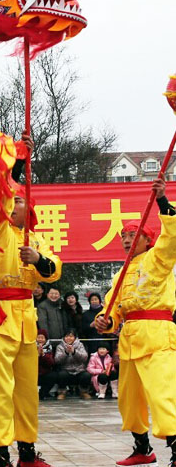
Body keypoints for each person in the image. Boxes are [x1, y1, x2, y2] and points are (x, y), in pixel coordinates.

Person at [0, 135, 62, 467]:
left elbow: (53, 271)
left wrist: (37, 258)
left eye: (21, 201)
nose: (15, 204)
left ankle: (27, 451)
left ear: (31, 209)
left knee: (27, 392)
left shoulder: (34, 239)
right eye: (12, 200)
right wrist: (20, 160)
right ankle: (0, 455)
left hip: (26, 321)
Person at [93, 179, 176, 467]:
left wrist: (163, 202)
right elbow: (111, 307)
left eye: (133, 234)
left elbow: (172, 237)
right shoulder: (120, 274)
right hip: (129, 340)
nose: (127, 240)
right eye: (124, 235)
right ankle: (143, 449)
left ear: (147, 239)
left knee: (163, 395)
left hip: (156, 335)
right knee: (129, 400)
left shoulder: (158, 259)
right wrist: (106, 320)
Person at [53, 330, 91, 399]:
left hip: (79, 370)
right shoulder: (60, 346)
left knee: (86, 375)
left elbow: (85, 357)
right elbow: (57, 360)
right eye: (66, 336)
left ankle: (84, 392)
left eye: (71, 336)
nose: (68, 338)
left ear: (75, 337)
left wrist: (74, 352)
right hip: (66, 370)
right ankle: (62, 392)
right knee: (61, 375)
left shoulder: (80, 345)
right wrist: (66, 353)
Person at [35, 330, 58, 401]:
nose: (40, 340)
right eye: (38, 337)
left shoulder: (49, 348)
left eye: (42, 338)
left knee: (53, 376)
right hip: (33, 373)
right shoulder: (30, 347)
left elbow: (51, 363)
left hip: (44, 373)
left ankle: (42, 394)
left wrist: (43, 355)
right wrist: (37, 355)